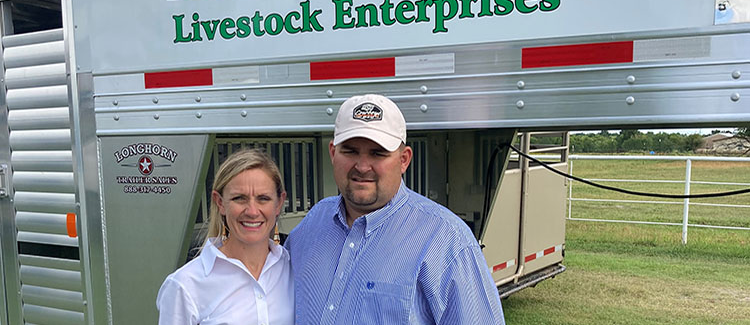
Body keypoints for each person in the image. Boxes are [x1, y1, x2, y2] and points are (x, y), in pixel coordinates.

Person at [286, 94, 505, 324]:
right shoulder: (311, 226)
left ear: (404, 160)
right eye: (350, 151)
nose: (362, 167)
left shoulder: (447, 241)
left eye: (377, 153)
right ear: (333, 153)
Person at [157, 149, 294, 325]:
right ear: (220, 202)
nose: (252, 212)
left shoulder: (293, 268)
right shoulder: (184, 285)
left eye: (263, 198)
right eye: (239, 198)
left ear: (279, 203)